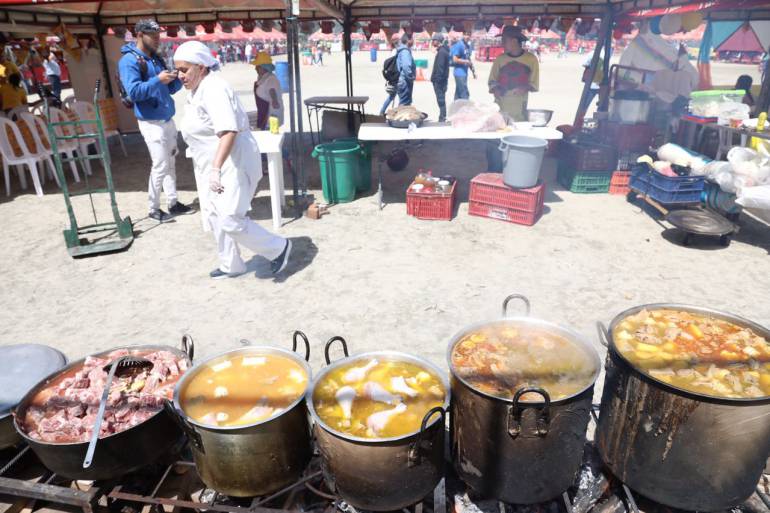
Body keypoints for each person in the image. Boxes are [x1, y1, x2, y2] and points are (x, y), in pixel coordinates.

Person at [173, 41, 292, 279]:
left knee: (230, 218)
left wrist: (216, 168)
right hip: (212, 163)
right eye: (177, 69)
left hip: (232, 162)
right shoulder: (197, 90)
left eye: (184, 69)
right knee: (216, 216)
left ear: (201, 67)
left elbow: (228, 131)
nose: (180, 75)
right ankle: (231, 264)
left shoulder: (214, 88)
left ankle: (278, 248)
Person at [119, 19, 192, 222]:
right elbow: (133, 92)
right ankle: (153, 208)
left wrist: (175, 79)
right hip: (151, 123)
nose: (159, 40)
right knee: (160, 164)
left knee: (170, 162)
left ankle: (173, 202)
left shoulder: (154, 59)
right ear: (140, 35)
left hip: (166, 118)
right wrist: (158, 79)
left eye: (159, 35)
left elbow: (167, 90)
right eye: (154, 36)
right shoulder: (129, 61)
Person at [487, 25, 539, 171]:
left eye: (504, 40)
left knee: (515, 144)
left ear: (515, 41)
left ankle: (513, 171)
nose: (502, 43)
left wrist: (525, 87)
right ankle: (494, 171)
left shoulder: (531, 59)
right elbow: (491, 81)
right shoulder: (500, 59)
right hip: (500, 108)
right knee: (495, 143)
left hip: (519, 111)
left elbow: (534, 84)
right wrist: (495, 89)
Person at [252, 51, 284, 130]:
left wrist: (274, 100)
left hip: (270, 113)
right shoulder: (263, 77)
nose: (255, 68)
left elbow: (272, 90)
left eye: (258, 66)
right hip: (263, 112)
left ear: (263, 68)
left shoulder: (271, 78)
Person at [430, 33, 450, 122]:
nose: (432, 42)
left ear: (438, 41)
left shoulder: (442, 52)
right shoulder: (442, 51)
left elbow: (440, 68)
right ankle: (442, 116)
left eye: (434, 40)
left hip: (440, 82)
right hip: (441, 81)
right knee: (441, 100)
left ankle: (442, 118)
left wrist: (437, 81)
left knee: (441, 100)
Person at [451, 33, 475, 100]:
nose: (467, 36)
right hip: (459, 73)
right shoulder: (459, 45)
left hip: (464, 73)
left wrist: (473, 71)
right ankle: (465, 109)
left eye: (469, 34)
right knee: (465, 94)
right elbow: (455, 59)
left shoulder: (467, 46)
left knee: (458, 94)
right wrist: (466, 61)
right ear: (463, 35)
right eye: (466, 34)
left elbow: (468, 58)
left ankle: (455, 108)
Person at [396, 34, 416, 107]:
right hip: (405, 81)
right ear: (408, 40)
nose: (414, 41)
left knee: (404, 102)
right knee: (404, 103)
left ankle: (403, 117)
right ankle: (402, 117)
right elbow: (406, 66)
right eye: (413, 39)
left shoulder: (402, 50)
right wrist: (410, 77)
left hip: (402, 80)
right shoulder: (405, 52)